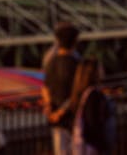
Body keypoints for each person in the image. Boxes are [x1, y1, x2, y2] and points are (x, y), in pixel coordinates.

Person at [42, 22, 81, 155]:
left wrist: (49, 108)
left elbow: (45, 87)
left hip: (55, 117)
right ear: (75, 41)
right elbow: (77, 92)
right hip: (72, 117)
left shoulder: (50, 62)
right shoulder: (77, 64)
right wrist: (61, 112)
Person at [70, 57, 116, 155]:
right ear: (93, 72)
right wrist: (102, 145)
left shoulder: (81, 93)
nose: (102, 70)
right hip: (94, 147)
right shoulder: (93, 95)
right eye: (100, 68)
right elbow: (93, 123)